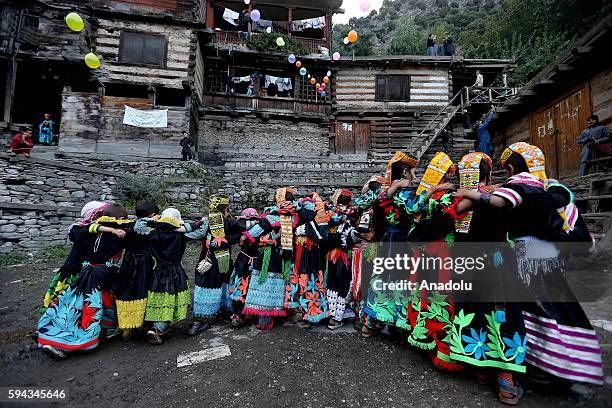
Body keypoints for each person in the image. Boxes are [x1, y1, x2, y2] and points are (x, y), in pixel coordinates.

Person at [454, 142, 604, 391]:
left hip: (525, 254)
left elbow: (490, 207)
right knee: (551, 308)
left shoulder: (516, 186)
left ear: (512, 167)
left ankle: (536, 368)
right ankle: (560, 365)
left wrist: (473, 193)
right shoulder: (550, 186)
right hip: (549, 253)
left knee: (527, 311)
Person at [446, 152, 528, 405]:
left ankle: (480, 368)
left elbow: (454, 211)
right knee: (502, 312)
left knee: (474, 308)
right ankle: (505, 379)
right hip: (497, 258)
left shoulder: (460, 198)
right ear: (489, 172)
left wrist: (466, 191)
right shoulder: (504, 192)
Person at [37, 203, 132, 359]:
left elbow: (78, 231)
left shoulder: (87, 229)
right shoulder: (120, 233)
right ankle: (69, 345)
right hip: (101, 276)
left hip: (85, 273)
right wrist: (114, 229)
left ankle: (53, 333)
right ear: (121, 219)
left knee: (72, 305)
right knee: (90, 310)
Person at [140, 208, 206, 344]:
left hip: (158, 269)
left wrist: (156, 222)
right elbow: (201, 232)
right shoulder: (181, 235)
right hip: (175, 270)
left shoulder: (153, 233)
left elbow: (139, 226)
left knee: (159, 296)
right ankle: (158, 328)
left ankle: (158, 323)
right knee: (171, 297)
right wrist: (201, 222)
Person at [188, 195, 243, 335]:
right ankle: (211, 314)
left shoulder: (207, 221)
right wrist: (227, 241)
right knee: (219, 283)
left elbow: (192, 233)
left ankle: (201, 319)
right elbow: (241, 230)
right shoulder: (229, 222)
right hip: (219, 261)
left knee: (208, 285)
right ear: (226, 208)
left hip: (210, 260)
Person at [40, 201, 110, 313]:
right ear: (95, 215)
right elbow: (76, 235)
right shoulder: (78, 228)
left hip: (92, 272)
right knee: (68, 298)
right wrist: (94, 228)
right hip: (74, 270)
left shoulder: (105, 231)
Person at [114, 199, 159, 337]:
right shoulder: (152, 227)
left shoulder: (127, 226)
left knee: (128, 290)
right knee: (145, 289)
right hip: (146, 262)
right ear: (152, 215)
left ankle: (127, 326)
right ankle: (147, 321)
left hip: (128, 262)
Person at [325, 189, 360, 330]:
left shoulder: (329, 214)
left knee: (332, 284)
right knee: (342, 284)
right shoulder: (351, 217)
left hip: (330, 255)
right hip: (343, 256)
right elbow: (352, 238)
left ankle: (333, 316)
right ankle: (336, 318)